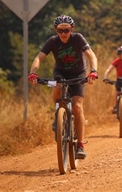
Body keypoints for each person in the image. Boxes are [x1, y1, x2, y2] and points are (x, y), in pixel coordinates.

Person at [28, 15, 98, 159]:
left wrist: (93, 71)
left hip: (79, 73)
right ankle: (58, 116)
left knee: (77, 106)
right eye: (60, 31)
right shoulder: (52, 41)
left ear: (72, 29)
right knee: (56, 89)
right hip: (60, 73)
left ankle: (80, 145)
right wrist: (33, 73)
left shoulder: (78, 38)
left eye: (66, 30)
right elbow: (38, 58)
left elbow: (91, 55)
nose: (64, 34)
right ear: (56, 30)